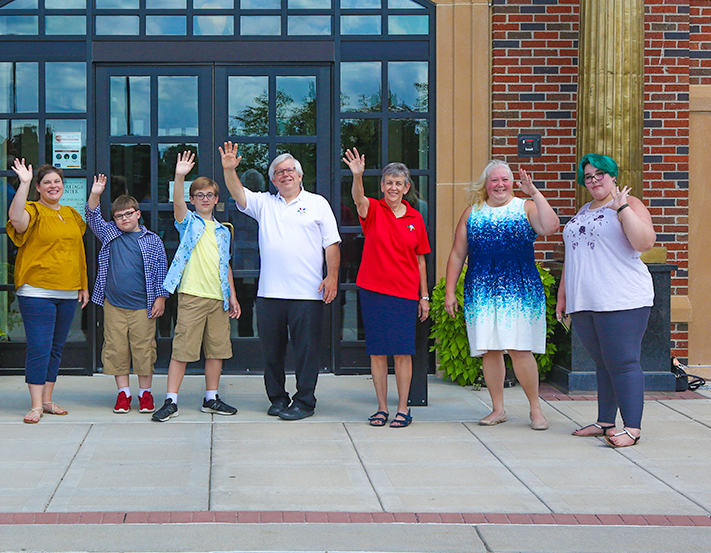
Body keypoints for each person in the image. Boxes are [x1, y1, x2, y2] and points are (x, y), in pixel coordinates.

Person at [220, 142, 340, 420]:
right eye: (278, 172)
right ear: (273, 180)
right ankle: (277, 399)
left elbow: (331, 243)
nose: (284, 175)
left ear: (299, 176)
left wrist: (332, 276)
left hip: (308, 293)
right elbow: (238, 192)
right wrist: (229, 169)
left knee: (306, 352)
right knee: (272, 352)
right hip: (270, 293)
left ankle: (305, 401)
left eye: (289, 170)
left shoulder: (317, 203)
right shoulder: (265, 204)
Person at [444, 160, 560, 430]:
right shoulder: (472, 213)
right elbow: (458, 254)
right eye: (494, 180)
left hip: (519, 289)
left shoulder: (525, 207)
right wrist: (450, 291)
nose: (500, 185)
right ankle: (498, 409)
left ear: (512, 182)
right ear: (486, 184)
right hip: (482, 291)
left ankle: (535, 409)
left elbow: (550, 227)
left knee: (520, 349)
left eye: (505, 180)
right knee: (490, 350)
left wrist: (535, 192)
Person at [558, 153, 656, 448]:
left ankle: (633, 429)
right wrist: (563, 295)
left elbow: (645, 242)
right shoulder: (584, 210)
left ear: (614, 176)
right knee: (603, 363)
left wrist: (622, 207)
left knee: (623, 362)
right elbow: (572, 256)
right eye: (588, 176)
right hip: (586, 300)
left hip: (622, 298)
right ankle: (605, 422)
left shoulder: (630, 204)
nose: (594, 180)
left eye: (600, 174)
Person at [342, 149, 430, 429]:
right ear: (381, 186)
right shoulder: (373, 210)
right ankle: (381, 408)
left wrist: (423, 296)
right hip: (373, 291)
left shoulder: (416, 218)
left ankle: (403, 409)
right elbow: (358, 198)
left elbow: (420, 259)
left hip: (405, 293)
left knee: (403, 353)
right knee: (378, 352)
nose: (393, 187)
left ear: (406, 188)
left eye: (398, 183)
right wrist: (357, 176)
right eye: (388, 182)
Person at [152, 151, 242, 422]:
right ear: (193, 200)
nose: (205, 199)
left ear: (216, 199)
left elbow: (224, 264)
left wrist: (233, 297)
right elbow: (177, 203)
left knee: (217, 350)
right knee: (182, 350)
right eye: (199, 195)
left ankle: (211, 398)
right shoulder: (188, 222)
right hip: (192, 295)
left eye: (210, 195)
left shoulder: (223, 230)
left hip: (218, 298)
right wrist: (180, 176)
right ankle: (171, 400)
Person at [6, 160, 89, 425]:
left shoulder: (71, 214)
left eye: (57, 182)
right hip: (36, 291)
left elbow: (79, 252)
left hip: (67, 291)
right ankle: (35, 405)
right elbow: (16, 220)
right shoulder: (32, 210)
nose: (53, 186)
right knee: (39, 347)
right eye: (47, 183)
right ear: (39, 188)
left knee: (56, 347)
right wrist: (24, 183)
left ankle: (48, 400)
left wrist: (83, 285)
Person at [87, 175, 170, 414]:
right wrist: (96, 193)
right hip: (114, 304)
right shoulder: (109, 234)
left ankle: (145, 393)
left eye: (127, 214)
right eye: (118, 216)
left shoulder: (152, 240)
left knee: (144, 349)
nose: (123, 219)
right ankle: (123, 394)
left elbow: (161, 270)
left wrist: (161, 297)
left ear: (137, 213)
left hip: (143, 306)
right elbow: (92, 216)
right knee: (116, 348)